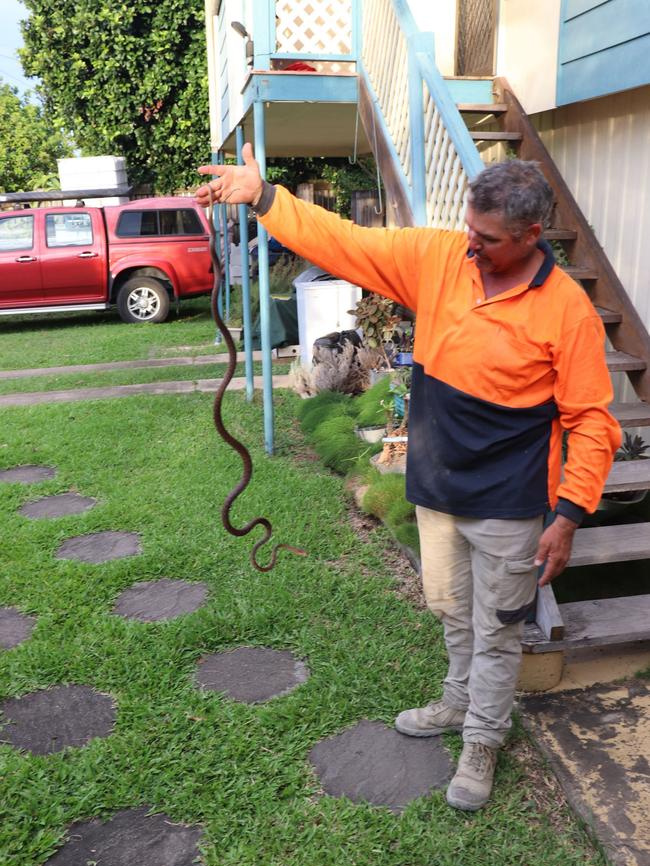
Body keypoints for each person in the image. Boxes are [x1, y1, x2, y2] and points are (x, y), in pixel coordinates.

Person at [196, 146, 621, 811]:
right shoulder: (443, 258)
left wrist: (567, 515)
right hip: (437, 485)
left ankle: (483, 740)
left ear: (532, 236)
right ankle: (457, 702)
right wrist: (264, 197)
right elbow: (351, 245)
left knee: (500, 628)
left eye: (488, 240)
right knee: (451, 607)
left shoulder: (566, 310)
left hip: (509, 503)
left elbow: (593, 419)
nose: (471, 249)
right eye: (470, 232)